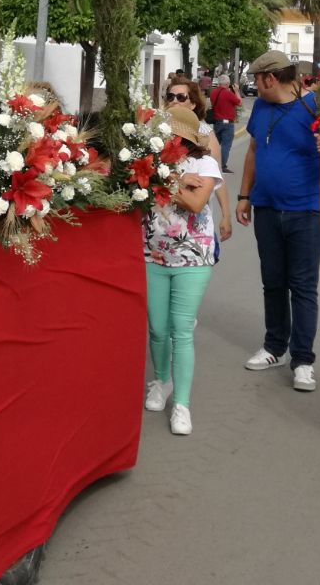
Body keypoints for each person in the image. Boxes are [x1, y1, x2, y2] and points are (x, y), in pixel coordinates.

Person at [236, 49, 320, 393]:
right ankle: (275, 347)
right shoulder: (260, 108)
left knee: (302, 286)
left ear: (270, 79)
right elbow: (255, 150)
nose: (254, 88)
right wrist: (244, 196)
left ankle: (303, 359)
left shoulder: (316, 109)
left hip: (306, 211)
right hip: (267, 209)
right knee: (273, 281)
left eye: (256, 81)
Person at [142, 106, 227, 436]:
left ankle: (182, 404)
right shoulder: (151, 161)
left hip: (193, 258)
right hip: (152, 254)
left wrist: (156, 178)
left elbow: (194, 203)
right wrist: (172, 178)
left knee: (181, 329)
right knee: (158, 328)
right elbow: (130, 180)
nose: (167, 138)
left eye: (172, 133)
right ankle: (161, 382)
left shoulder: (204, 164)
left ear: (186, 138)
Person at [165, 79, 233, 250]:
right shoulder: (158, 127)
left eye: (181, 97)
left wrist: (226, 214)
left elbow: (217, 174)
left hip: (191, 216)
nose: (174, 101)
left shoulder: (203, 133)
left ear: (193, 104)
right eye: (170, 96)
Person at [208, 74, 240, 173]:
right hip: (227, 123)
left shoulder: (213, 93)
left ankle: (211, 163)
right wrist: (237, 91)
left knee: (215, 144)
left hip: (217, 122)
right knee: (226, 145)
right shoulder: (228, 93)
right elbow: (239, 102)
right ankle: (222, 166)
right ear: (227, 83)